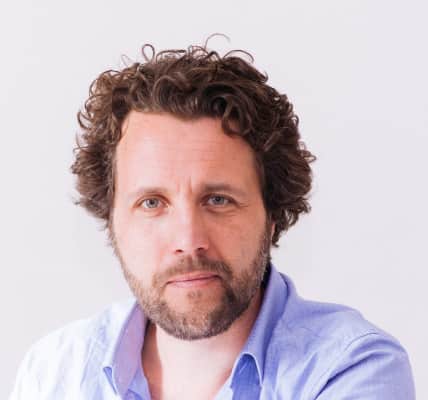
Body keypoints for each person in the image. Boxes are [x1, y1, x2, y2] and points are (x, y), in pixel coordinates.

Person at [9, 43, 415, 400]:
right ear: (112, 220)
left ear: (272, 214)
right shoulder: (53, 371)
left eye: (218, 200)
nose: (189, 240)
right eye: (152, 203)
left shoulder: (349, 367)